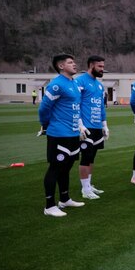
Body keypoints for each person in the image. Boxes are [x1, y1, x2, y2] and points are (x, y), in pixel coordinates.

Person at [38, 54, 85, 217]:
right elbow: (44, 108)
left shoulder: (74, 83)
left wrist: (79, 125)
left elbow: (75, 108)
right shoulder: (57, 84)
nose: (75, 64)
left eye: (74, 61)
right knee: (55, 168)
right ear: (60, 66)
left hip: (73, 133)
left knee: (67, 167)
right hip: (59, 134)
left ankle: (64, 199)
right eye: (70, 62)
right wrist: (45, 125)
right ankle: (49, 205)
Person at [76, 55, 109, 200]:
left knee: (92, 158)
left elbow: (101, 107)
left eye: (103, 66)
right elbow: (75, 104)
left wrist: (104, 125)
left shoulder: (99, 85)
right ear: (91, 65)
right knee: (86, 157)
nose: (102, 69)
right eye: (100, 66)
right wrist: (80, 124)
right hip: (86, 127)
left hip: (96, 126)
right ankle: (85, 190)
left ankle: (88, 185)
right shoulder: (80, 81)